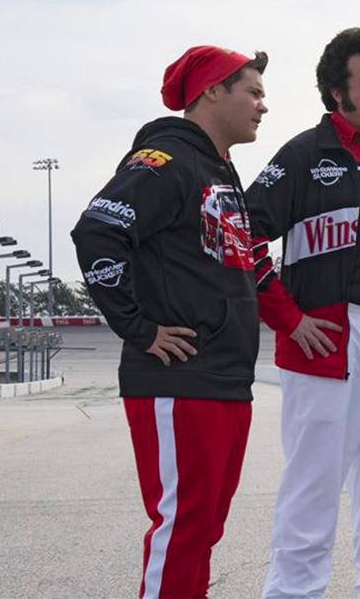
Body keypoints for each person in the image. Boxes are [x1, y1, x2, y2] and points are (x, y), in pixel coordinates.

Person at [244, 27, 360, 599]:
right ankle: (293, 593)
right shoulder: (304, 154)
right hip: (324, 337)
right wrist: (287, 317)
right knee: (314, 485)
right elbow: (243, 230)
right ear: (337, 93)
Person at [71, 45, 268, 598]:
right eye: (252, 92)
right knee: (182, 529)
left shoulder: (220, 171)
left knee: (202, 531)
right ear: (212, 91)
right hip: (179, 380)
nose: (262, 106)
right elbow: (97, 233)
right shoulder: (165, 160)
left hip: (226, 379)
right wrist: (139, 328)